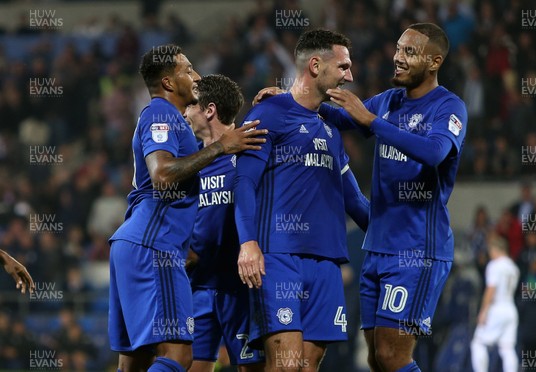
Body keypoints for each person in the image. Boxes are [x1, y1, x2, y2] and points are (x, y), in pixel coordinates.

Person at [108, 44, 267, 372]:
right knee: (178, 355)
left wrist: (277, 103)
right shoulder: (160, 113)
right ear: (168, 82)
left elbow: (211, 144)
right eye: (188, 69)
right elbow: (163, 174)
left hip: (135, 244)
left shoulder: (184, 134)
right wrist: (224, 146)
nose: (196, 76)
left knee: (134, 362)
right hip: (154, 243)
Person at [320, 23, 468, 372]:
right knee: (376, 358)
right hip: (378, 247)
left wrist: (372, 122)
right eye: (398, 49)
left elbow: (434, 152)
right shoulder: (388, 101)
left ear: (434, 62)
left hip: (417, 249)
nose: (398, 58)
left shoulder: (449, 107)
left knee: (393, 355)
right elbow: (339, 117)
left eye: (409, 52)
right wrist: (291, 98)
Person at [234, 29, 369, 371]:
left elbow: (353, 200)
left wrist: (395, 237)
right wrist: (248, 242)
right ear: (314, 65)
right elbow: (244, 181)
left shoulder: (330, 129)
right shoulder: (269, 113)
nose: (349, 76)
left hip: (326, 264)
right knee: (285, 365)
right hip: (279, 257)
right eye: (343, 67)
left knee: (308, 367)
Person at [183, 74, 265, 372]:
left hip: (241, 288)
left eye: (191, 105)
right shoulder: (189, 160)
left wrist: (279, 95)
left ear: (209, 109)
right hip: (198, 286)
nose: (185, 112)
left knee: (250, 368)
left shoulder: (251, 148)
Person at [470, 235, 519, 372]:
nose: (490, 253)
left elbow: (491, 290)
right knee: (507, 348)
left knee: (478, 343)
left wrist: (483, 311)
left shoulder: (495, 265)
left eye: (491, 250)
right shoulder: (513, 267)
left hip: (497, 308)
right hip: (510, 308)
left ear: (496, 249)